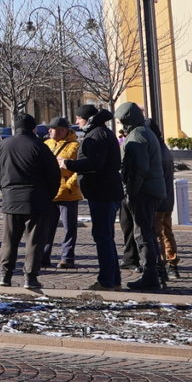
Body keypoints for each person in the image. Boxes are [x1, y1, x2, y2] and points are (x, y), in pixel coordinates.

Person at [0, 113, 57, 288]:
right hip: (36, 200)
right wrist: (48, 195)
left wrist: (4, 187)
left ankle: (5, 276)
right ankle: (30, 277)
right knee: (35, 241)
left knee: (9, 240)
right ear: (33, 128)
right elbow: (53, 174)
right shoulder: (40, 146)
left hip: (11, 199)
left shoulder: (2, 145)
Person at [116, 101, 170, 292]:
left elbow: (139, 169)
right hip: (151, 190)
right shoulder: (145, 132)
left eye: (121, 120)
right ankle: (155, 272)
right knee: (147, 232)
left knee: (143, 234)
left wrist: (131, 191)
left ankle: (150, 275)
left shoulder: (137, 136)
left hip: (143, 193)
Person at [69, 105, 125, 289]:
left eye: (79, 118)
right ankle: (112, 280)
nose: (76, 122)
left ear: (88, 118)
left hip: (102, 192)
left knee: (103, 237)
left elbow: (95, 163)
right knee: (105, 236)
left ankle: (107, 280)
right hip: (104, 191)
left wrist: (69, 164)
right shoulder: (101, 132)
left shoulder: (97, 135)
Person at [46, 117, 86, 265]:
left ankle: (67, 258)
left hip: (68, 193)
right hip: (50, 194)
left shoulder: (76, 146)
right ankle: (44, 256)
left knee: (69, 228)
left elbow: (79, 170)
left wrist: (68, 185)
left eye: (52, 128)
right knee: (47, 228)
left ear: (63, 130)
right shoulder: (47, 144)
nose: (49, 130)